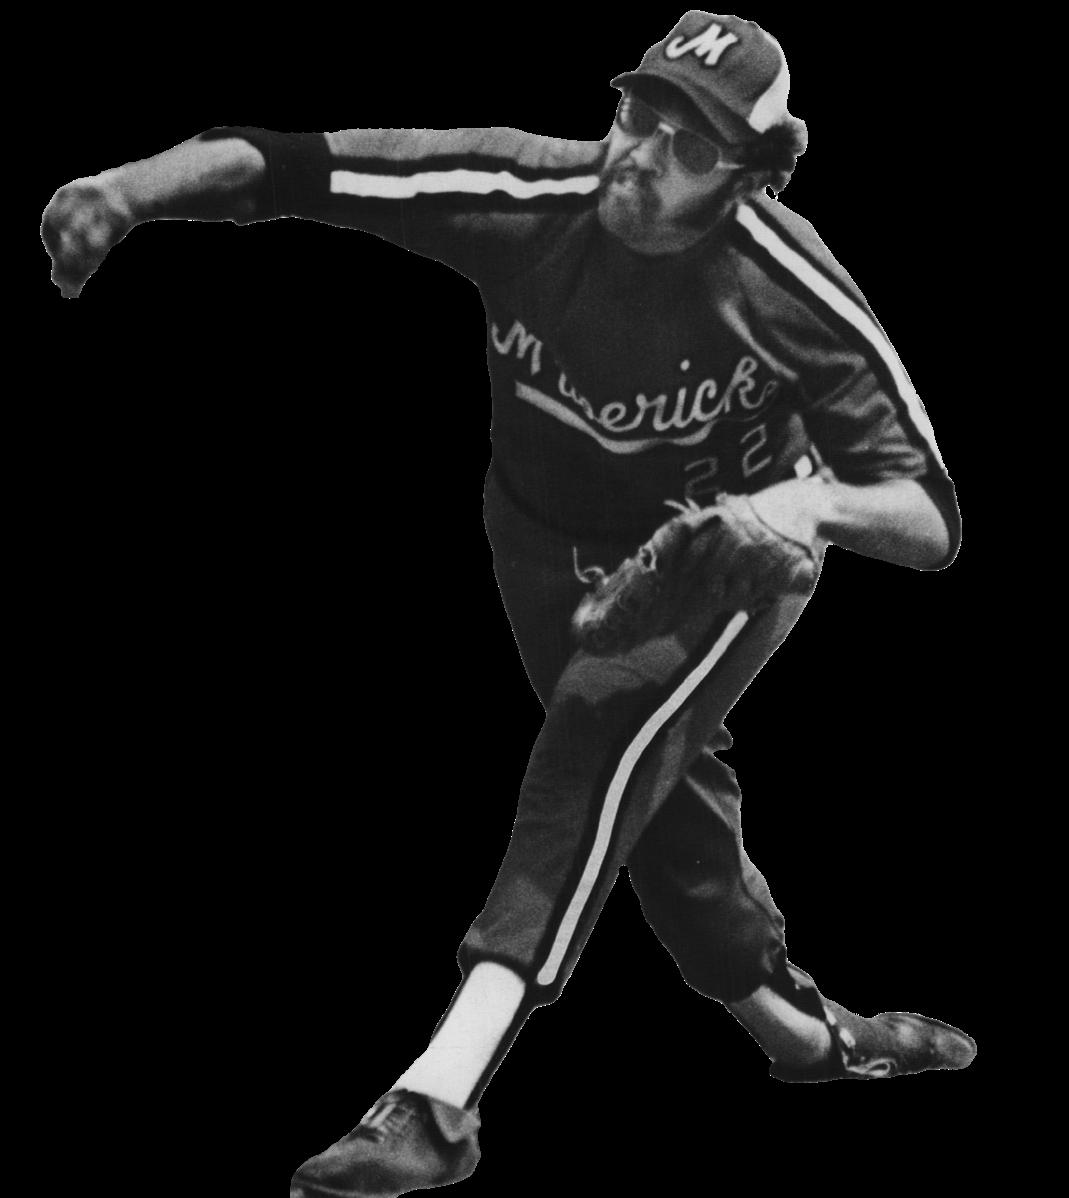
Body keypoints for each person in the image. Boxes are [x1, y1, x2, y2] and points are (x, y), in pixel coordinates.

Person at [42, 11, 975, 1196]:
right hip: (537, 540)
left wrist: (807, 508)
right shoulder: (530, 192)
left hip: (719, 557)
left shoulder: (789, 287)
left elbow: (929, 517)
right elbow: (293, 165)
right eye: (638, 113)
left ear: (749, 178)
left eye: (689, 146)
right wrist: (122, 192)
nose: (640, 154)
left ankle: (437, 1099)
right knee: (660, 805)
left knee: (591, 742)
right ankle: (805, 1037)